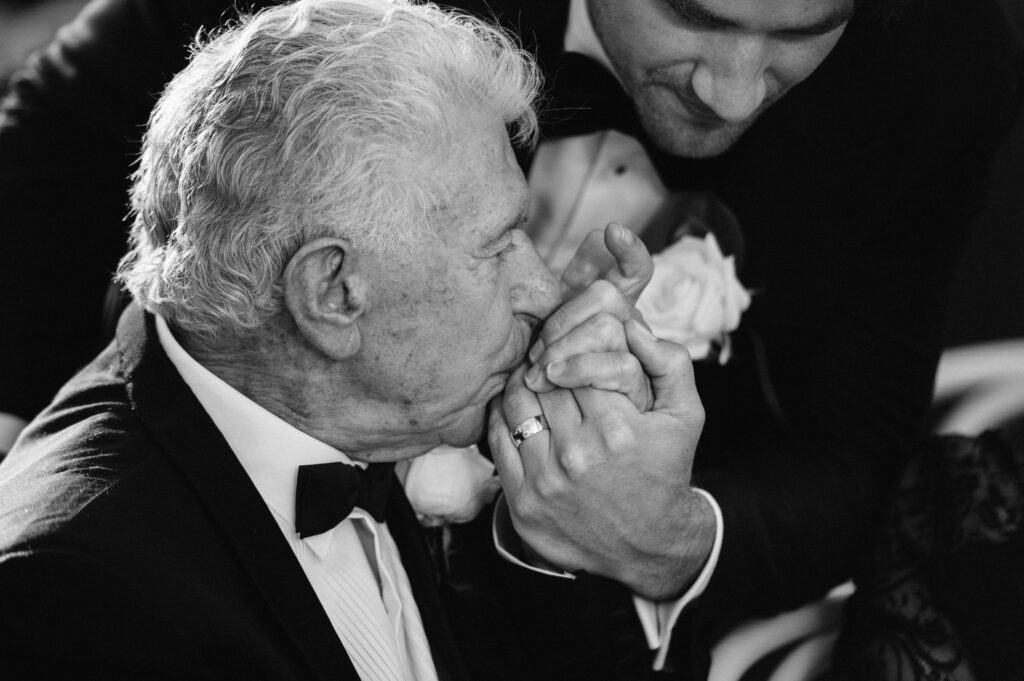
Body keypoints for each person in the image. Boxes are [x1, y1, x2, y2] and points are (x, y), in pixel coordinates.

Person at [1, 0, 1022, 671]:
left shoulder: (942, 60)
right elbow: (43, 162)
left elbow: (852, 446)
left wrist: (666, 541)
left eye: (804, 29)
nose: (735, 90)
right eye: (693, 16)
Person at [0, 1, 707, 677]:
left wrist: (564, 530)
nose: (548, 294)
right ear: (333, 294)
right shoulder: (78, 600)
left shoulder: (354, 408)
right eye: (500, 246)